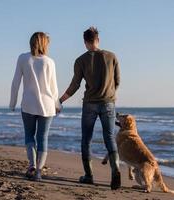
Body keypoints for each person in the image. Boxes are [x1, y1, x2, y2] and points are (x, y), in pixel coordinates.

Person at [59, 27, 121, 190]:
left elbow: (75, 85)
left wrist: (60, 100)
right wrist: (110, 95)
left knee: (86, 139)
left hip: (90, 104)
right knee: (109, 137)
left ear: (85, 42)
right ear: (98, 40)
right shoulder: (111, 56)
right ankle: (115, 171)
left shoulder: (80, 60)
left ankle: (89, 175)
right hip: (108, 102)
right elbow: (117, 81)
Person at [9, 32, 60, 181]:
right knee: (42, 137)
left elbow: (15, 83)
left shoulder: (23, 58)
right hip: (47, 105)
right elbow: (54, 87)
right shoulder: (50, 62)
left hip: (28, 104)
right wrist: (57, 104)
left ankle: (31, 165)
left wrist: (12, 103)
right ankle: (39, 171)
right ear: (45, 44)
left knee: (29, 135)